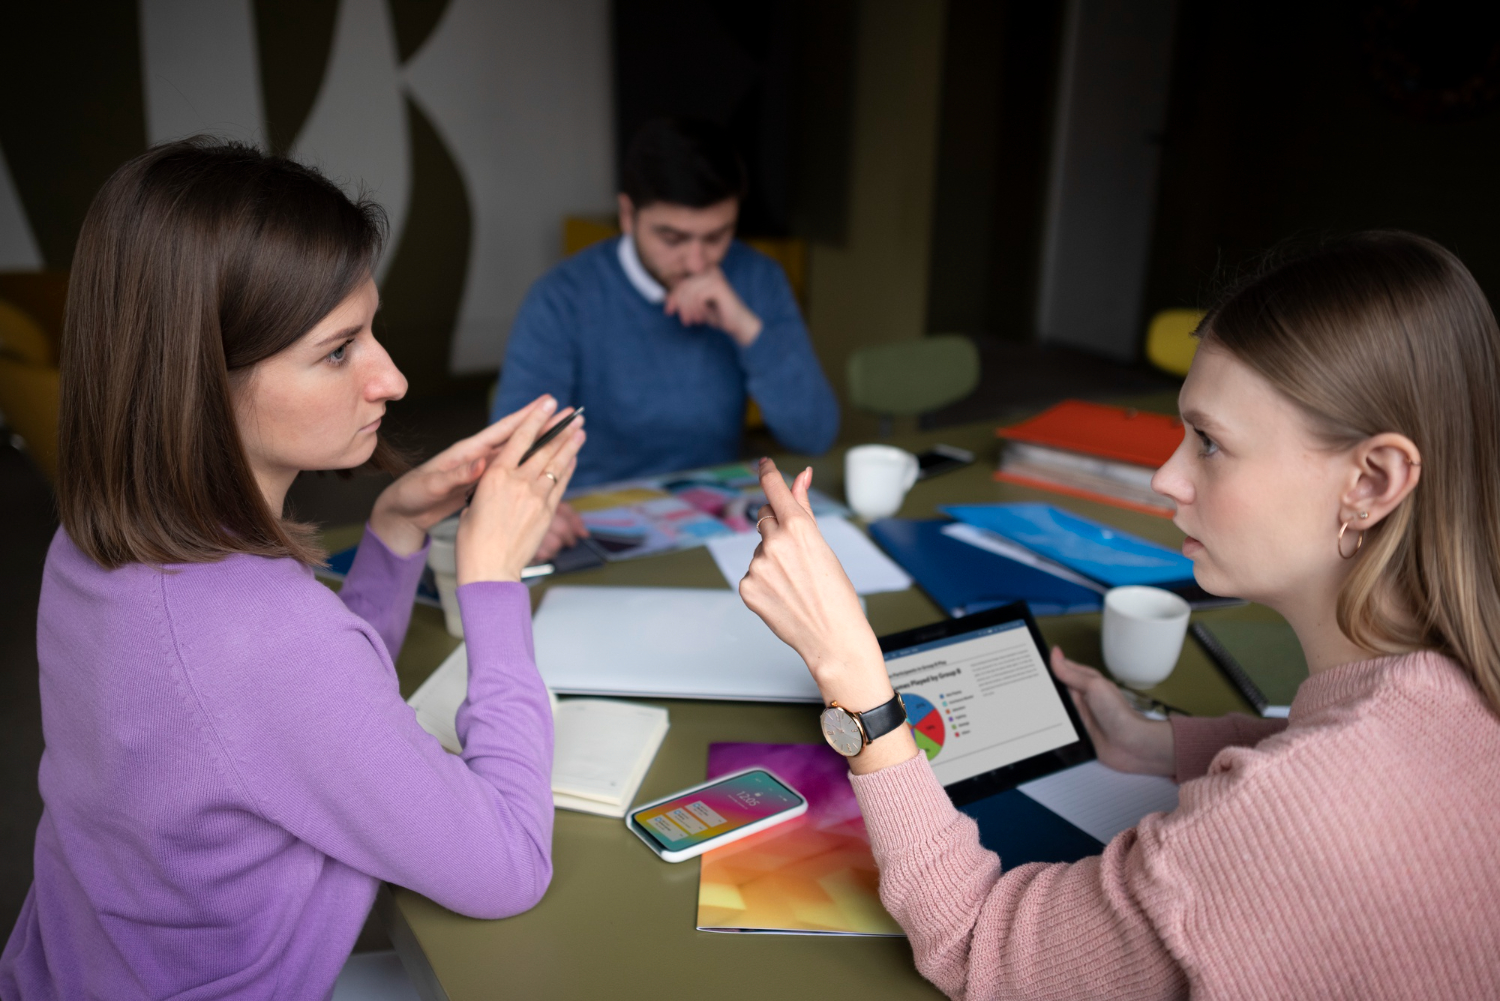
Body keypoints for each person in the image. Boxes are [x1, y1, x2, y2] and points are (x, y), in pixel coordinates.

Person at [739, 232, 1500, 999]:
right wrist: (1158, 741)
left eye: (1210, 443)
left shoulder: (1300, 817)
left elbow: (974, 944)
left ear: (1372, 481)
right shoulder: (1461, 690)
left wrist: (854, 676)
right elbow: (1340, 764)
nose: (1166, 476)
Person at [0, 140, 586, 998]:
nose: (393, 378)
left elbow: (288, 725)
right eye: (339, 350)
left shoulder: (89, 547)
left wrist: (394, 528)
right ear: (202, 379)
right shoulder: (266, 640)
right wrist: (491, 580)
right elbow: (510, 864)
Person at [491, 117, 839, 490]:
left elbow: (814, 435)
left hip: (713, 497)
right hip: (593, 502)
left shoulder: (757, 278)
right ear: (628, 215)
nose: (696, 263)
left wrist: (746, 328)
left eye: (716, 236)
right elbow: (515, 454)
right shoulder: (562, 297)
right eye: (672, 238)